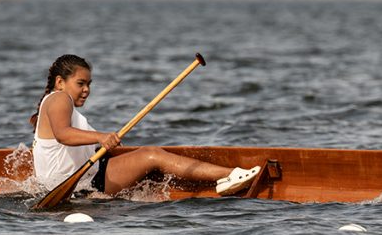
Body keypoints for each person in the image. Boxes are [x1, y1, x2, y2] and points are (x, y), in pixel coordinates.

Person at [30, 54, 260, 196]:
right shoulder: (59, 98)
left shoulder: (55, 102)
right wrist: (101, 137)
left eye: (89, 83)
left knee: (144, 157)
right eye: (80, 83)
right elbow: (63, 135)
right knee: (152, 155)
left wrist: (103, 145)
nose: (87, 90)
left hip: (81, 182)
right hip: (76, 186)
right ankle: (230, 175)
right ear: (60, 82)